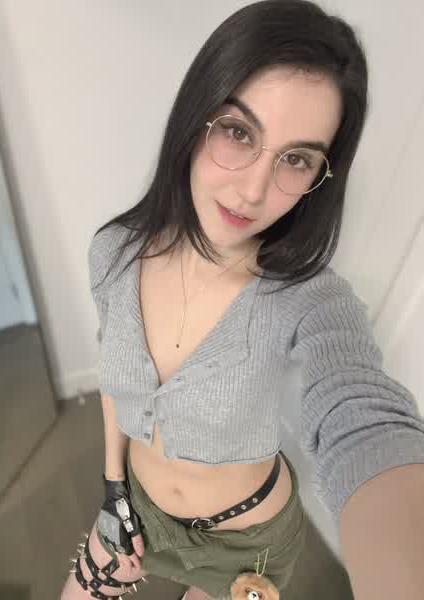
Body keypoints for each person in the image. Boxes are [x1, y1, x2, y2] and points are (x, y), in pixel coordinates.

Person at [61, 1, 424, 599]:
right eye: (238, 131)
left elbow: (363, 419)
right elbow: (113, 377)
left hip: (245, 550)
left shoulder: (307, 301)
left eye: (296, 159)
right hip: (134, 509)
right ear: (195, 115)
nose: (254, 190)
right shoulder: (114, 253)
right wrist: (113, 487)